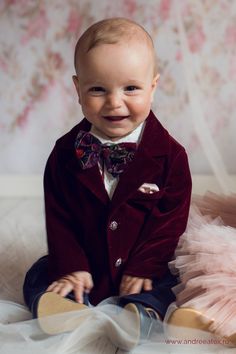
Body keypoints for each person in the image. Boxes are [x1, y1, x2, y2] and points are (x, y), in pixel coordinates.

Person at [23, 17, 192, 349]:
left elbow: (170, 222)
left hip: (144, 267)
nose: (115, 102)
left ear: (153, 86)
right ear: (77, 89)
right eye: (98, 89)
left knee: (175, 278)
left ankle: (144, 313)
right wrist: (72, 267)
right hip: (88, 264)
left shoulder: (170, 155)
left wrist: (145, 266)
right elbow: (59, 219)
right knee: (40, 272)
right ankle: (66, 307)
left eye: (130, 88)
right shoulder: (64, 154)